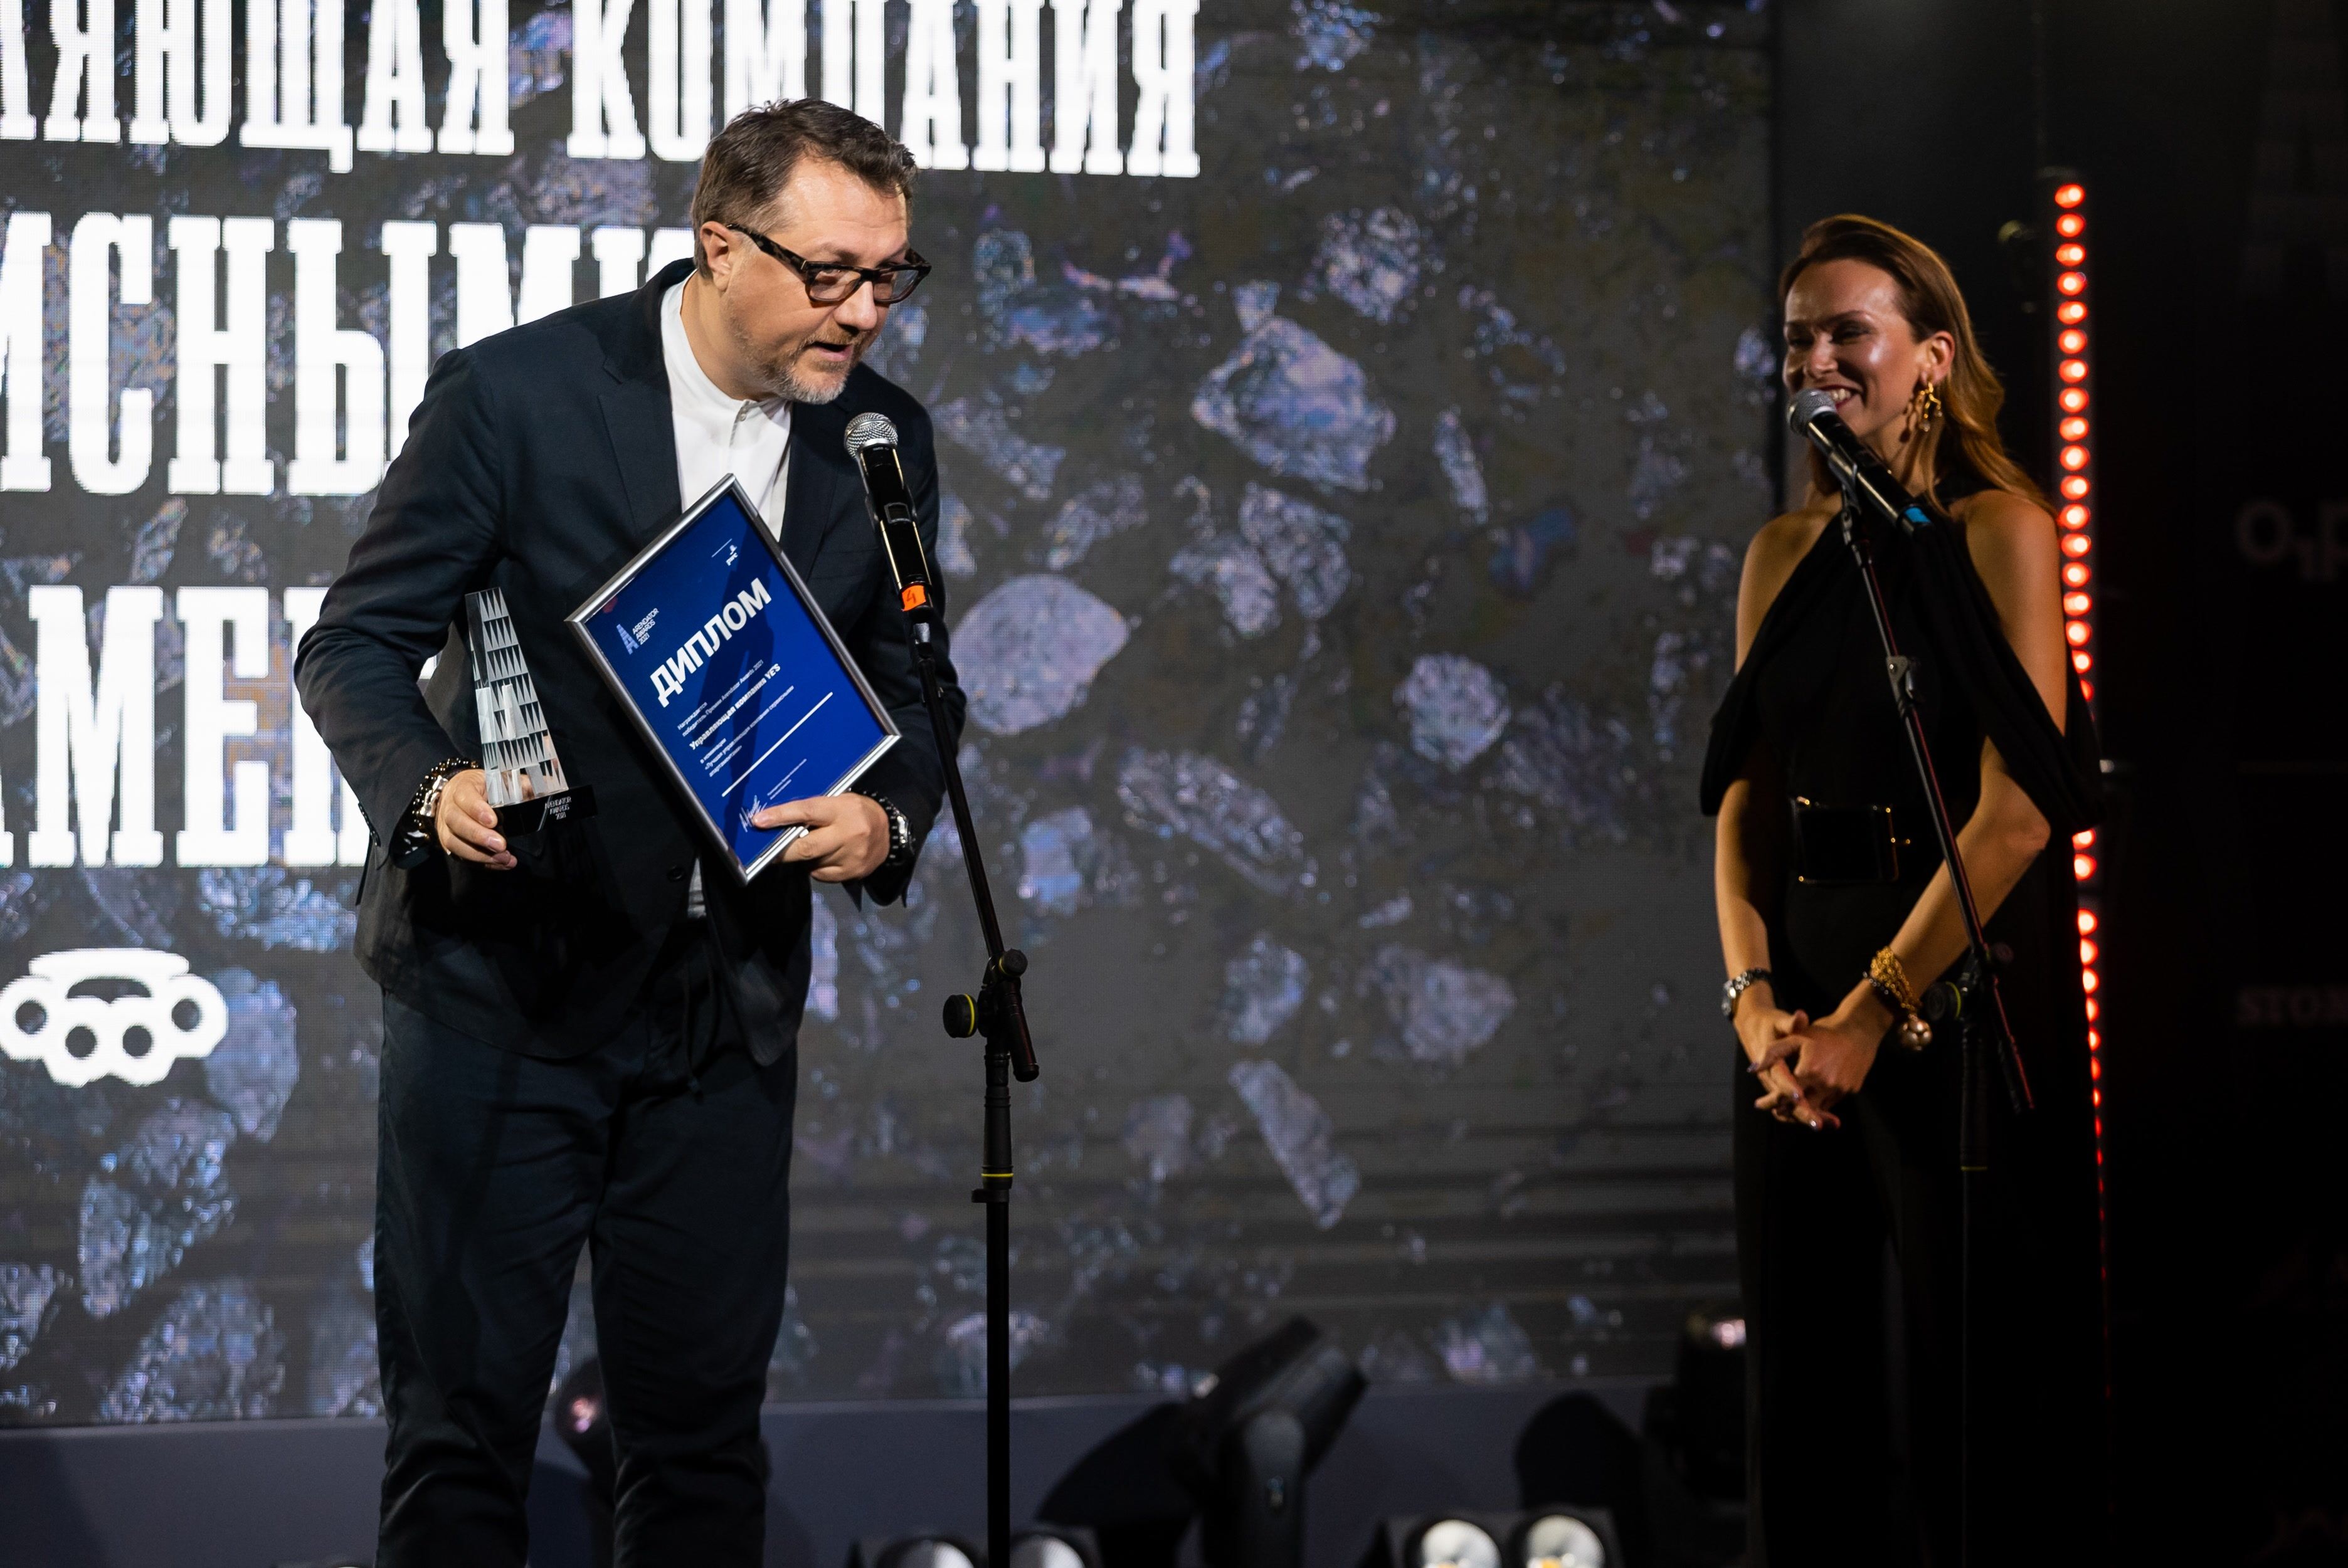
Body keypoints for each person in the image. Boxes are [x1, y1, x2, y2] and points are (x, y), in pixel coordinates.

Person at [295, 102, 965, 1567]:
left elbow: (919, 695)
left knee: (704, 1450)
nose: (864, 313)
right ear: (721, 245)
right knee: (462, 1442)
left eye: (890, 277)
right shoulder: (516, 398)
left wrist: (886, 816)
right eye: (831, 275)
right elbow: (351, 647)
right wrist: (430, 791)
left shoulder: (881, 441)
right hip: (503, 997)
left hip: (725, 1019)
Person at [1700, 215, 2106, 1563]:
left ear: (1930, 357)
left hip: (1948, 983)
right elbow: (1743, 798)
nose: (1815, 360)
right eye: (1797, 339)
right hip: (1796, 1001)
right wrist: (1756, 999)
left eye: (1847, 332)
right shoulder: (1780, 552)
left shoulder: (1999, 532)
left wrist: (1877, 1011)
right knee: (1801, 1391)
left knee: (1981, 1393)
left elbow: (2019, 809)